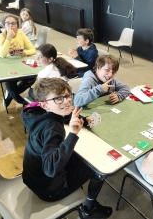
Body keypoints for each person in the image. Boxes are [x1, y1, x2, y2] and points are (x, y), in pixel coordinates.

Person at [21, 78, 113, 218]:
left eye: (68, 95)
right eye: (58, 98)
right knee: (99, 167)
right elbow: (51, 168)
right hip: (50, 190)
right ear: (45, 105)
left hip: (33, 180)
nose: (67, 101)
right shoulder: (52, 128)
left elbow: (62, 112)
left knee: (78, 156)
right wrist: (73, 134)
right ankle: (90, 208)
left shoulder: (36, 112)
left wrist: (83, 119)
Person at [0, 14, 36, 107]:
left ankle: (10, 95)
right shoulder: (1, 36)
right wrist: (8, 38)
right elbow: (2, 55)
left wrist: (24, 53)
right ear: (4, 25)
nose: (10, 26)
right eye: (8, 23)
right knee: (11, 81)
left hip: (21, 63)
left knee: (32, 78)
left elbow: (33, 49)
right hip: (7, 65)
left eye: (13, 23)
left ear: (18, 26)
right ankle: (22, 102)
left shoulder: (21, 33)